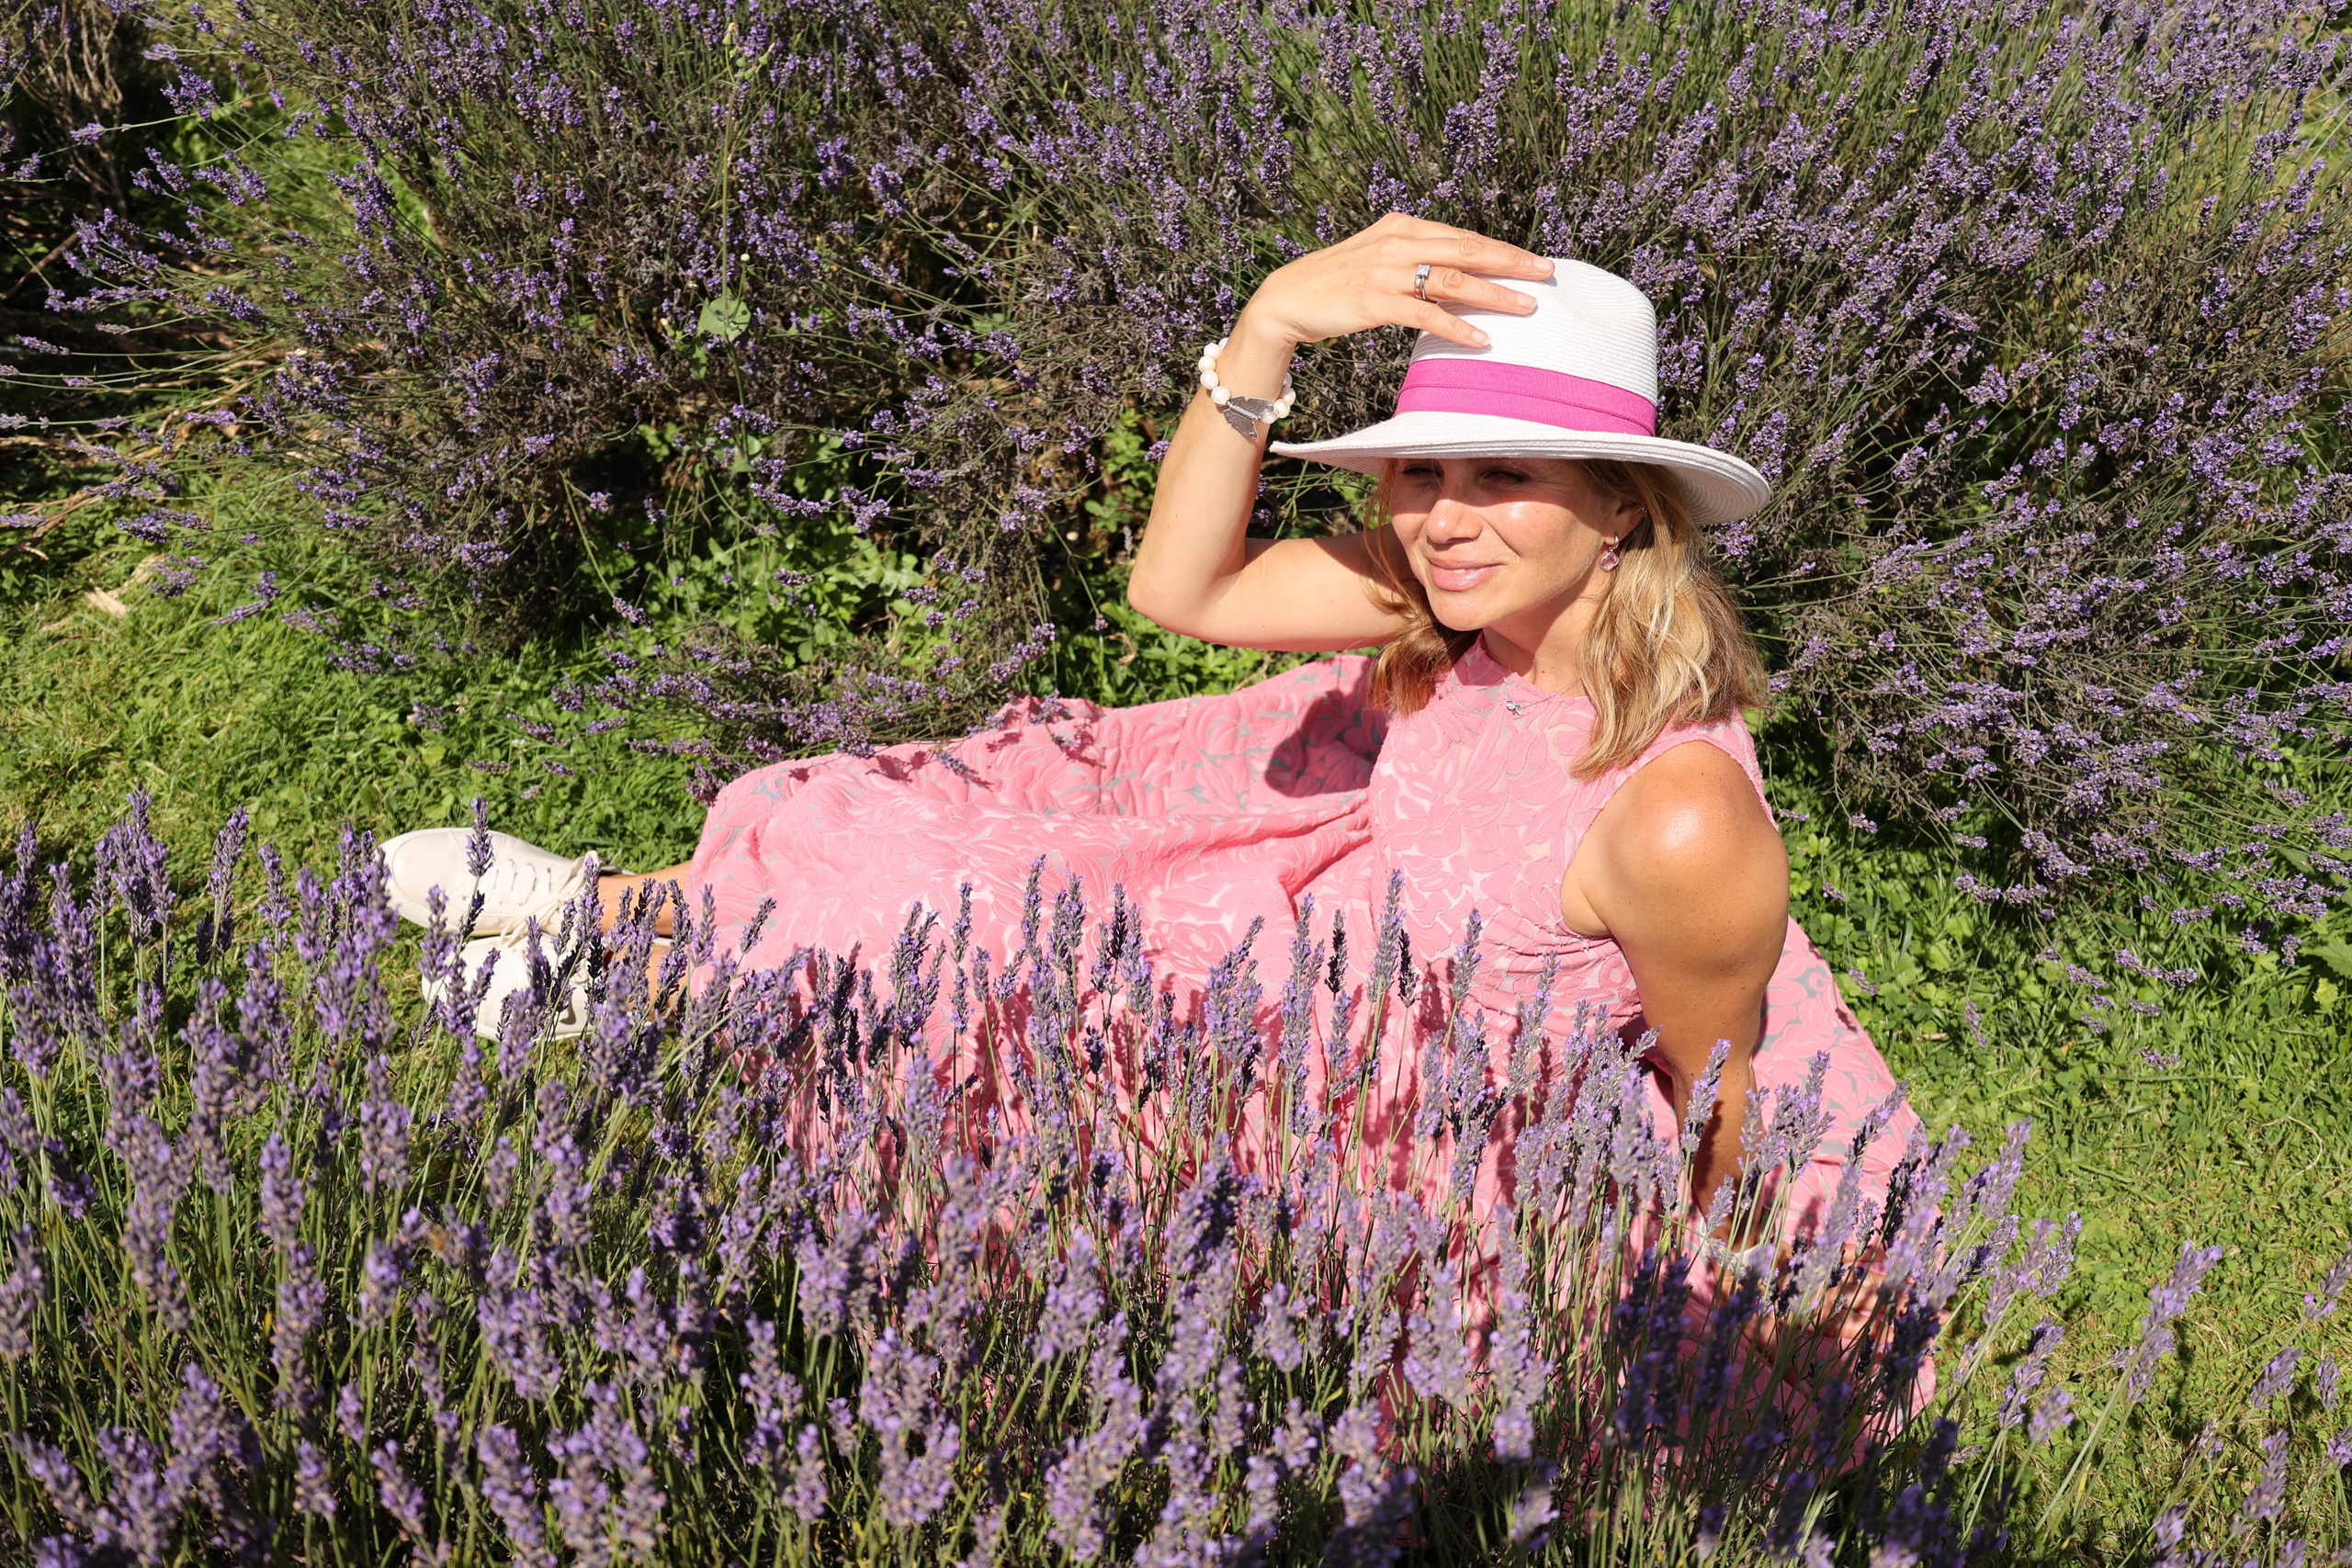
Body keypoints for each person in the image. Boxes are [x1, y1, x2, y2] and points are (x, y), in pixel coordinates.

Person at [378, 214, 1916, 1243]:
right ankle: (609, 923)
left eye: (1503, 475)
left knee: (984, 937)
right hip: (1305, 950)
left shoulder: (1676, 812)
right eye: (1419, 472)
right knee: (942, 837)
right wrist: (1266, 328)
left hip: (1388, 1114)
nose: (1443, 519)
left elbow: (1719, 1100)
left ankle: (627, 987)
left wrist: (1690, 1299)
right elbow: (1182, 591)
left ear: (1624, 507)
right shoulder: (1455, 607)